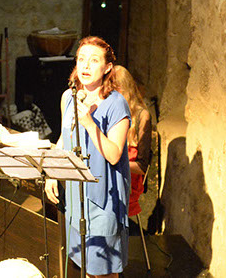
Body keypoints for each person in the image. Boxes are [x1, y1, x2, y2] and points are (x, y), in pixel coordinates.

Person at [45, 36, 131, 278]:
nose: (85, 65)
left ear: (107, 68)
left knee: (103, 270)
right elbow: (64, 138)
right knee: (85, 266)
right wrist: (52, 173)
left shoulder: (116, 104)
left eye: (94, 60)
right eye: (81, 59)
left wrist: (90, 123)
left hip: (104, 197)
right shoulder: (68, 97)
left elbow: (114, 155)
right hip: (76, 195)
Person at [113, 65, 152, 218]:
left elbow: (142, 166)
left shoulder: (142, 116)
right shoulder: (108, 112)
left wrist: (113, 164)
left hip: (127, 182)